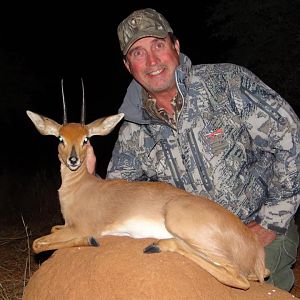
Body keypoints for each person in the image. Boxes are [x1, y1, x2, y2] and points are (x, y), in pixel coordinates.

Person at [87, 8, 300, 291]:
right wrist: (85, 182)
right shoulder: (132, 131)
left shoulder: (226, 83)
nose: (151, 61)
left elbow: (289, 134)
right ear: (128, 66)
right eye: (138, 53)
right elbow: (118, 197)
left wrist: (272, 221)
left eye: (158, 45)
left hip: (256, 232)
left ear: (176, 46)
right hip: (194, 248)